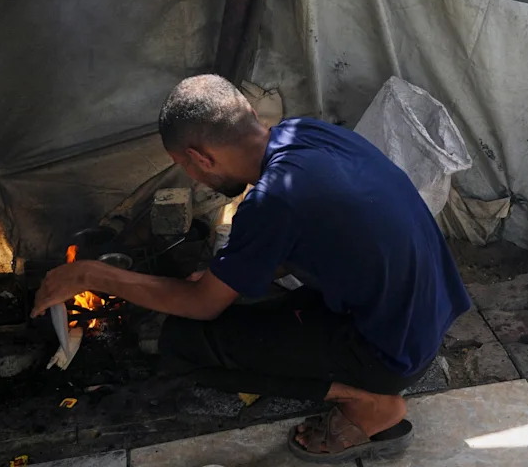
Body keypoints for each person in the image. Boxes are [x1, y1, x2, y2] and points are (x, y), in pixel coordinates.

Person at [33, 74, 471, 463]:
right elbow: (308, 239)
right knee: (244, 302)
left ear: (201, 158)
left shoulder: (273, 198)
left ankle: (369, 401)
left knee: (182, 342)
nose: (192, 178)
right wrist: (225, 278)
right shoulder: (306, 133)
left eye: (185, 167)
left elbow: (202, 307)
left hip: (390, 352)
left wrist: (92, 275)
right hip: (429, 312)